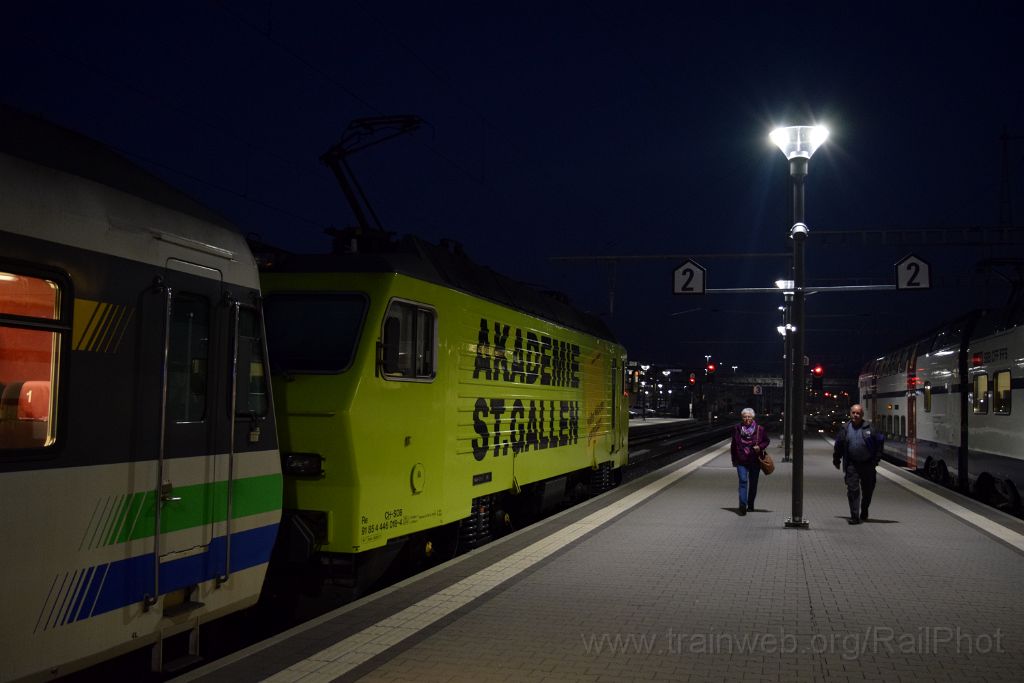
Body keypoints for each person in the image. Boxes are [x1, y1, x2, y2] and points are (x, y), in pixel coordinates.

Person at [832, 403, 885, 524]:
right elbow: (839, 445)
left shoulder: (870, 428)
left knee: (868, 490)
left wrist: (876, 460)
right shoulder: (845, 429)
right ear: (850, 413)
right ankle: (854, 516)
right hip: (852, 464)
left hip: (868, 464)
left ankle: (864, 509)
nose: (855, 415)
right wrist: (836, 459)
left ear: (862, 415)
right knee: (852, 490)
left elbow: (880, 442)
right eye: (853, 413)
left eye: (858, 413)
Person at [730, 407, 770, 515]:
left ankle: (750, 504)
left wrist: (760, 447)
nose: (747, 418)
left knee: (753, 484)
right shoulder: (737, 428)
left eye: (749, 416)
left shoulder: (759, 429)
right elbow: (733, 445)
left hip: (754, 460)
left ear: (753, 417)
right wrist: (734, 459)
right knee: (743, 481)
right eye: (745, 416)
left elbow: (766, 441)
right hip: (741, 460)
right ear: (742, 417)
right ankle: (743, 505)